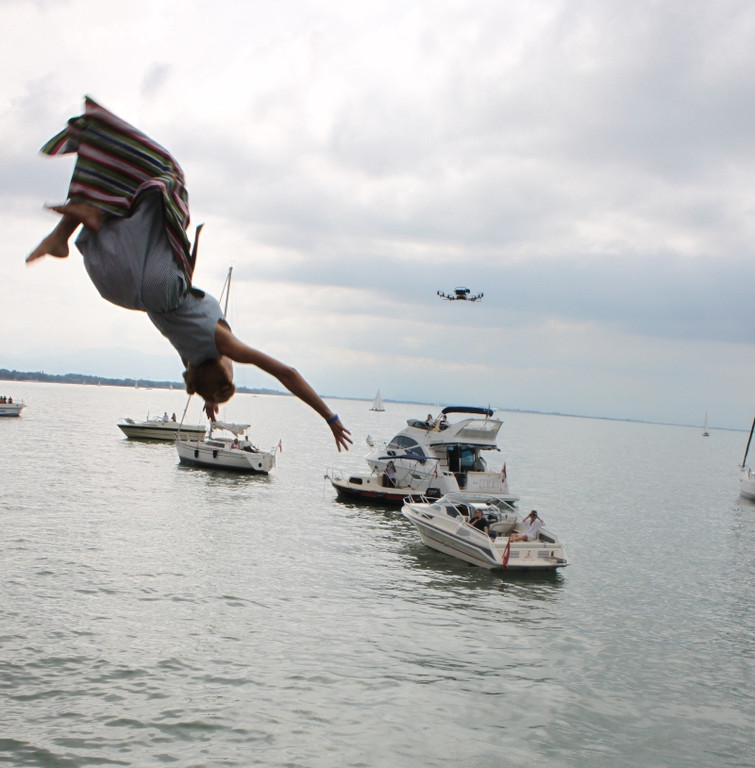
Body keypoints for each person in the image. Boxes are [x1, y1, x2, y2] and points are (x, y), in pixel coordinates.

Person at [25, 97, 352, 452]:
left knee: (168, 179)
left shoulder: (220, 344)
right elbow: (200, 376)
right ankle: (69, 230)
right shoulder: (190, 355)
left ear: (225, 364)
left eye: (230, 369)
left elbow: (285, 373)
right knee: (124, 211)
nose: (233, 363)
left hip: (163, 286)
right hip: (123, 289)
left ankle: (76, 221)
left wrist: (329, 417)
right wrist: (210, 395)